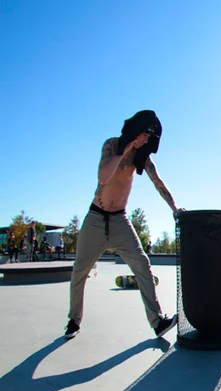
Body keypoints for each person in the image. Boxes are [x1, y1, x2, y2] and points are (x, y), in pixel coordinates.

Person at [64, 110, 182, 340]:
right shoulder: (112, 145)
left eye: (150, 138)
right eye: (145, 135)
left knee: (143, 264)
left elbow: (159, 183)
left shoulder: (144, 158)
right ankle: (74, 320)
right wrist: (126, 147)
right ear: (136, 132)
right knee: (80, 270)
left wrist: (175, 208)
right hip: (96, 218)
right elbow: (103, 176)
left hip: (120, 220)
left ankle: (157, 322)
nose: (147, 141)